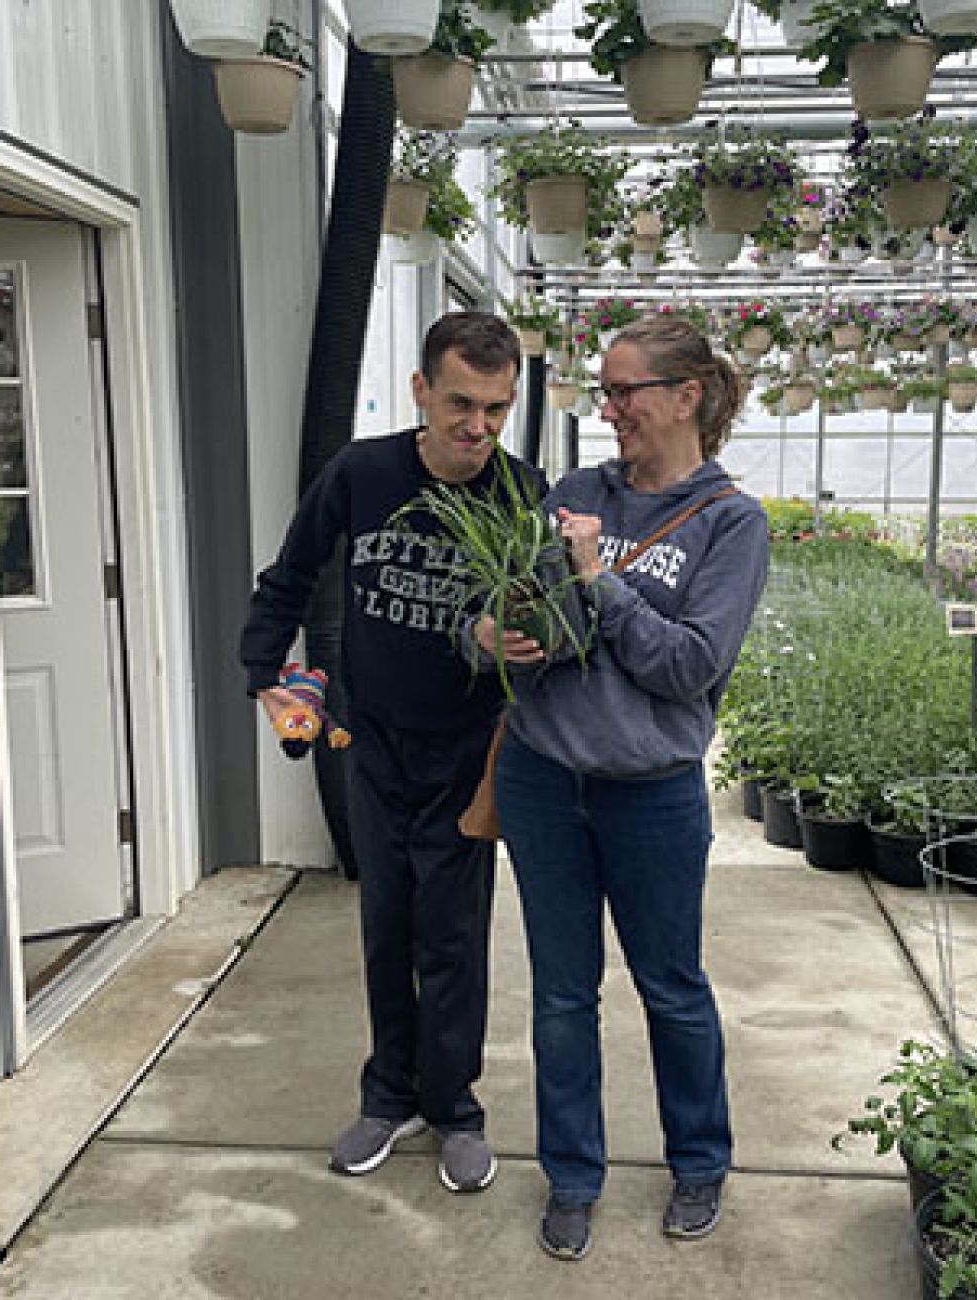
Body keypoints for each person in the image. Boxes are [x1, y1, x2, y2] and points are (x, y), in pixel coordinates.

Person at [475, 314, 769, 1260]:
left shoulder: (731, 522)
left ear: (686, 397)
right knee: (562, 996)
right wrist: (493, 634)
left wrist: (600, 581)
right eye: (603, 392)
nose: (608, 411)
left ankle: (698, 1160)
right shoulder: (572, 492)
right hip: (543, 779)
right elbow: (515, 610)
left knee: (671, 988)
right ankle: (572, 1176)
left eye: (623, 392)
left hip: (651, 794)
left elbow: (688, 669)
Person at [239, 311, 545, 1195]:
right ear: (421, 390)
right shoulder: (363, 472)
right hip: (367, 741)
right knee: (386, 926)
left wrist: (506, 636)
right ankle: (388, 1096)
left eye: (496, 407)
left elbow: (551, 616)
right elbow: (290, 574)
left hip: (465, 750)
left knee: (452, 935)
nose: (477, 427)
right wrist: (266, 672)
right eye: (460, 403)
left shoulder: (521, 492)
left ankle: (455, 1109)